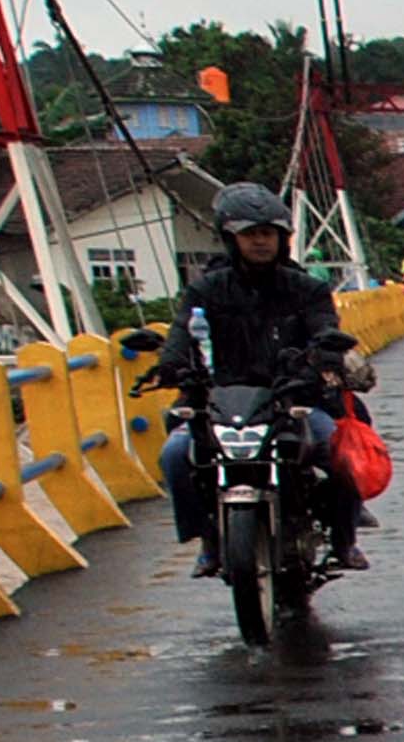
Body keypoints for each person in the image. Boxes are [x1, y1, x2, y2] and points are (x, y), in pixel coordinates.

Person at [151, 183, 367, 572]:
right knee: (174, 455)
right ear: (231, 239)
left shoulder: (307, 289)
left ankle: (344, 539)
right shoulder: (205, 289)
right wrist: (170, 365)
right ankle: (208, 540)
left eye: (268, 233)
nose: (261, 242)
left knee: (338, 451)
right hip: (218, 400)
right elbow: (183, 331)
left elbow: (324, 327)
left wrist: (327, 356)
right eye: (251, 234)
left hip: (290, 398)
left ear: (283, 238)